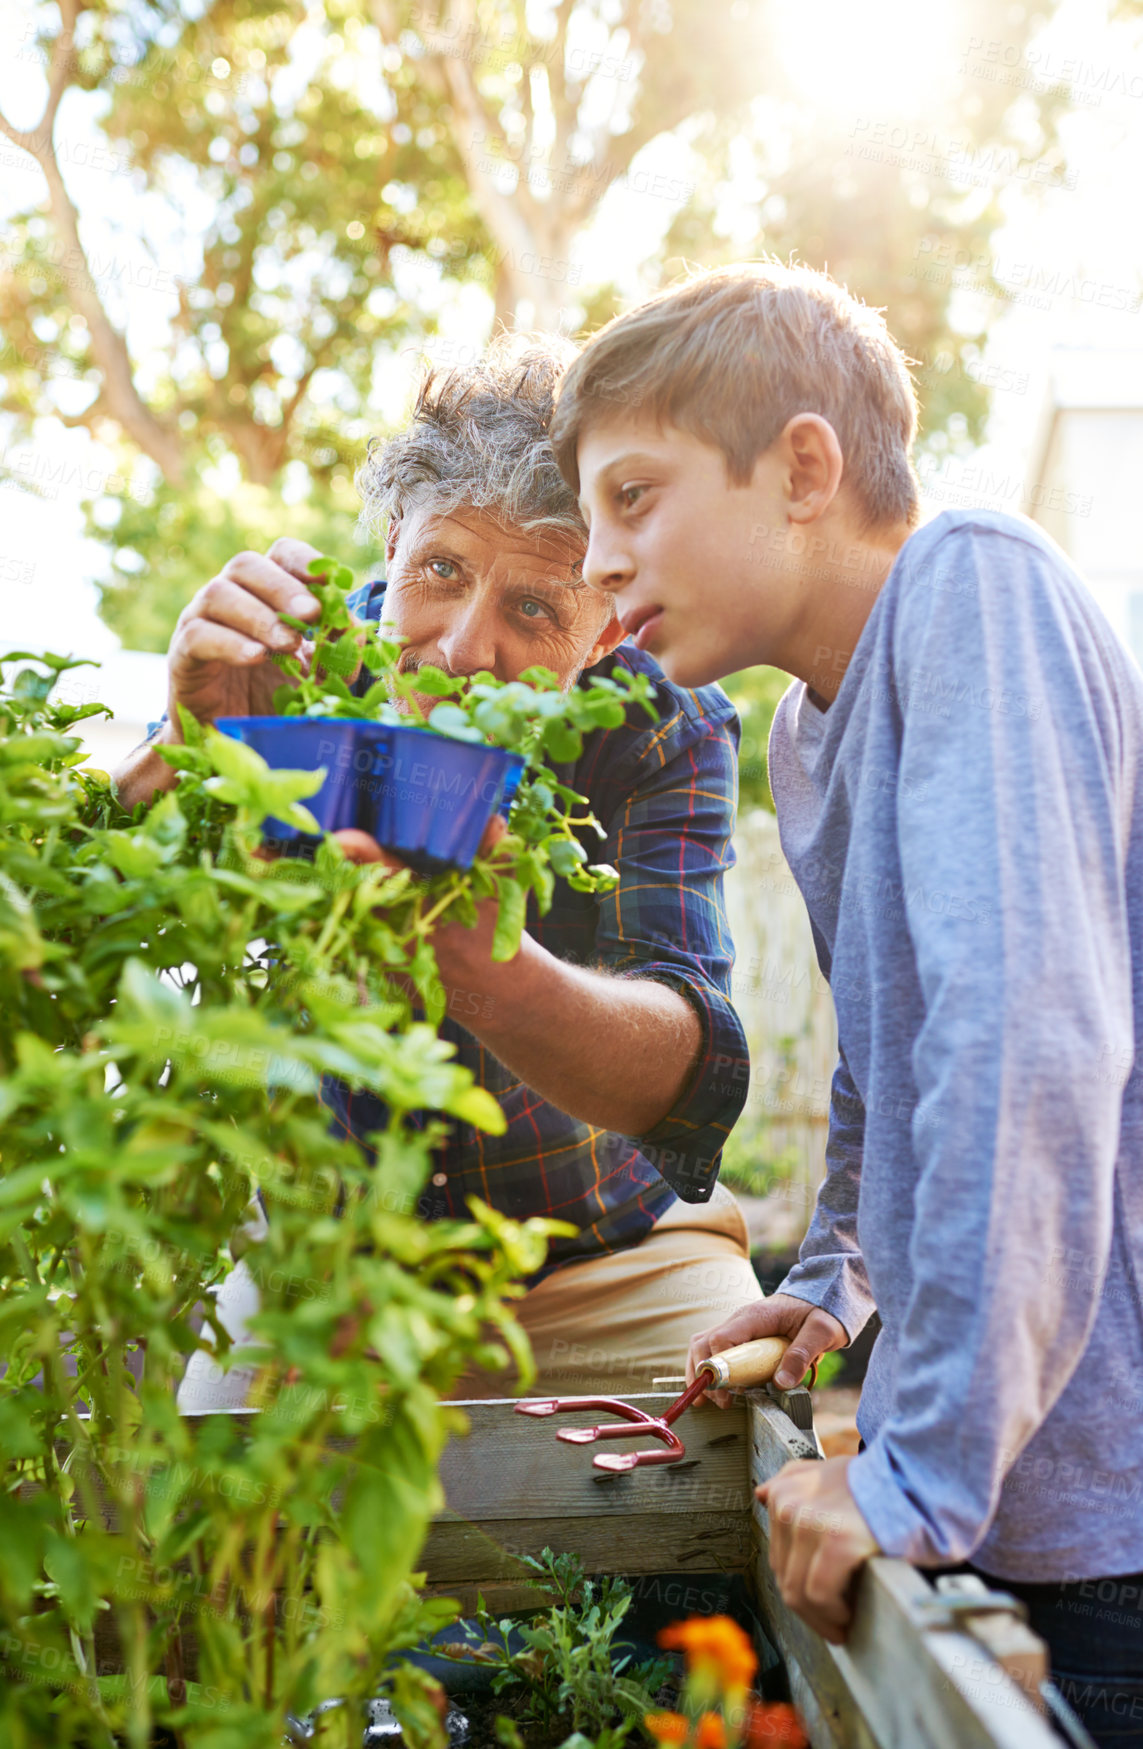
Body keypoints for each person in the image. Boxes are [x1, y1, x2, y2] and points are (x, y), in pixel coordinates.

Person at [550, 263, 1143, 1747]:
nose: (599, 561)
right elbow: (887, 1064)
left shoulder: (974, 589)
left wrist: (908, 1470)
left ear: (802, 468)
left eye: (634, 495)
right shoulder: (806, 737)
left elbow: (1024, 1045)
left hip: (1106, 1497)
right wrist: (827, 1284)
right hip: (1004, 1481)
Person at [112, 337, 762, 1406]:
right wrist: (179, 749)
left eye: (535, 608)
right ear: (390, 544)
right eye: (442, 571)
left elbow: (684, 1075)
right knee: (214, 1513)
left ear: (602, 630)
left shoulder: (664, 722)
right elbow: (96, 913)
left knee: (732, 1453)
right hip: (328, 1266)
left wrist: (476, 954)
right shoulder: (287, 668)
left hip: (606, 1258)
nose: (463, 649)